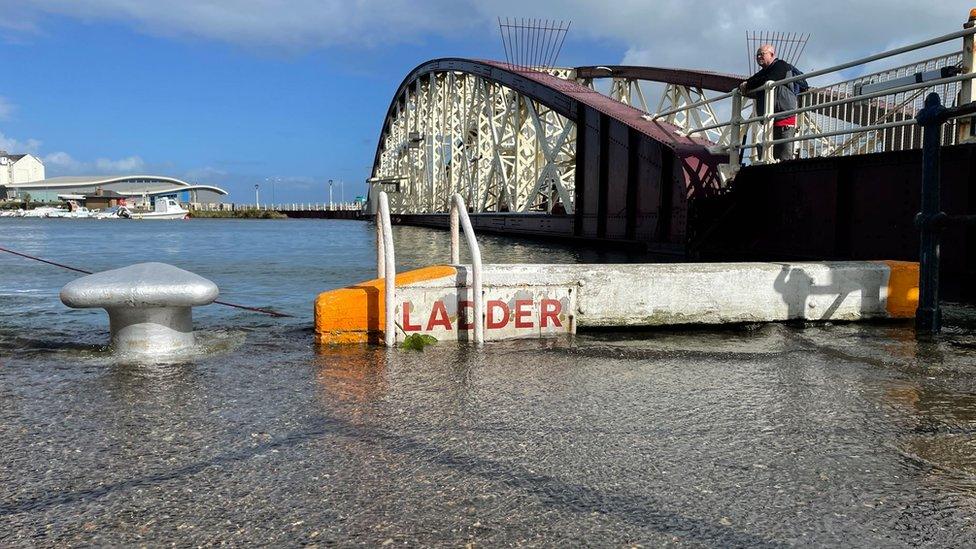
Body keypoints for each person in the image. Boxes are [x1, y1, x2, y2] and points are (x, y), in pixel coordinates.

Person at [739, 44, 804, 162]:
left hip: (784, 117)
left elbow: (770, 79)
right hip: (772, 118)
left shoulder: (781, 66)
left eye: (762, 54)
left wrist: (748, 85)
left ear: (772, 54)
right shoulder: (765, 71)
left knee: (784, 156)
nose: (759, 57)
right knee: (770, 153)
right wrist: (747, 84)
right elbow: (753, 80)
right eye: (757, 55)